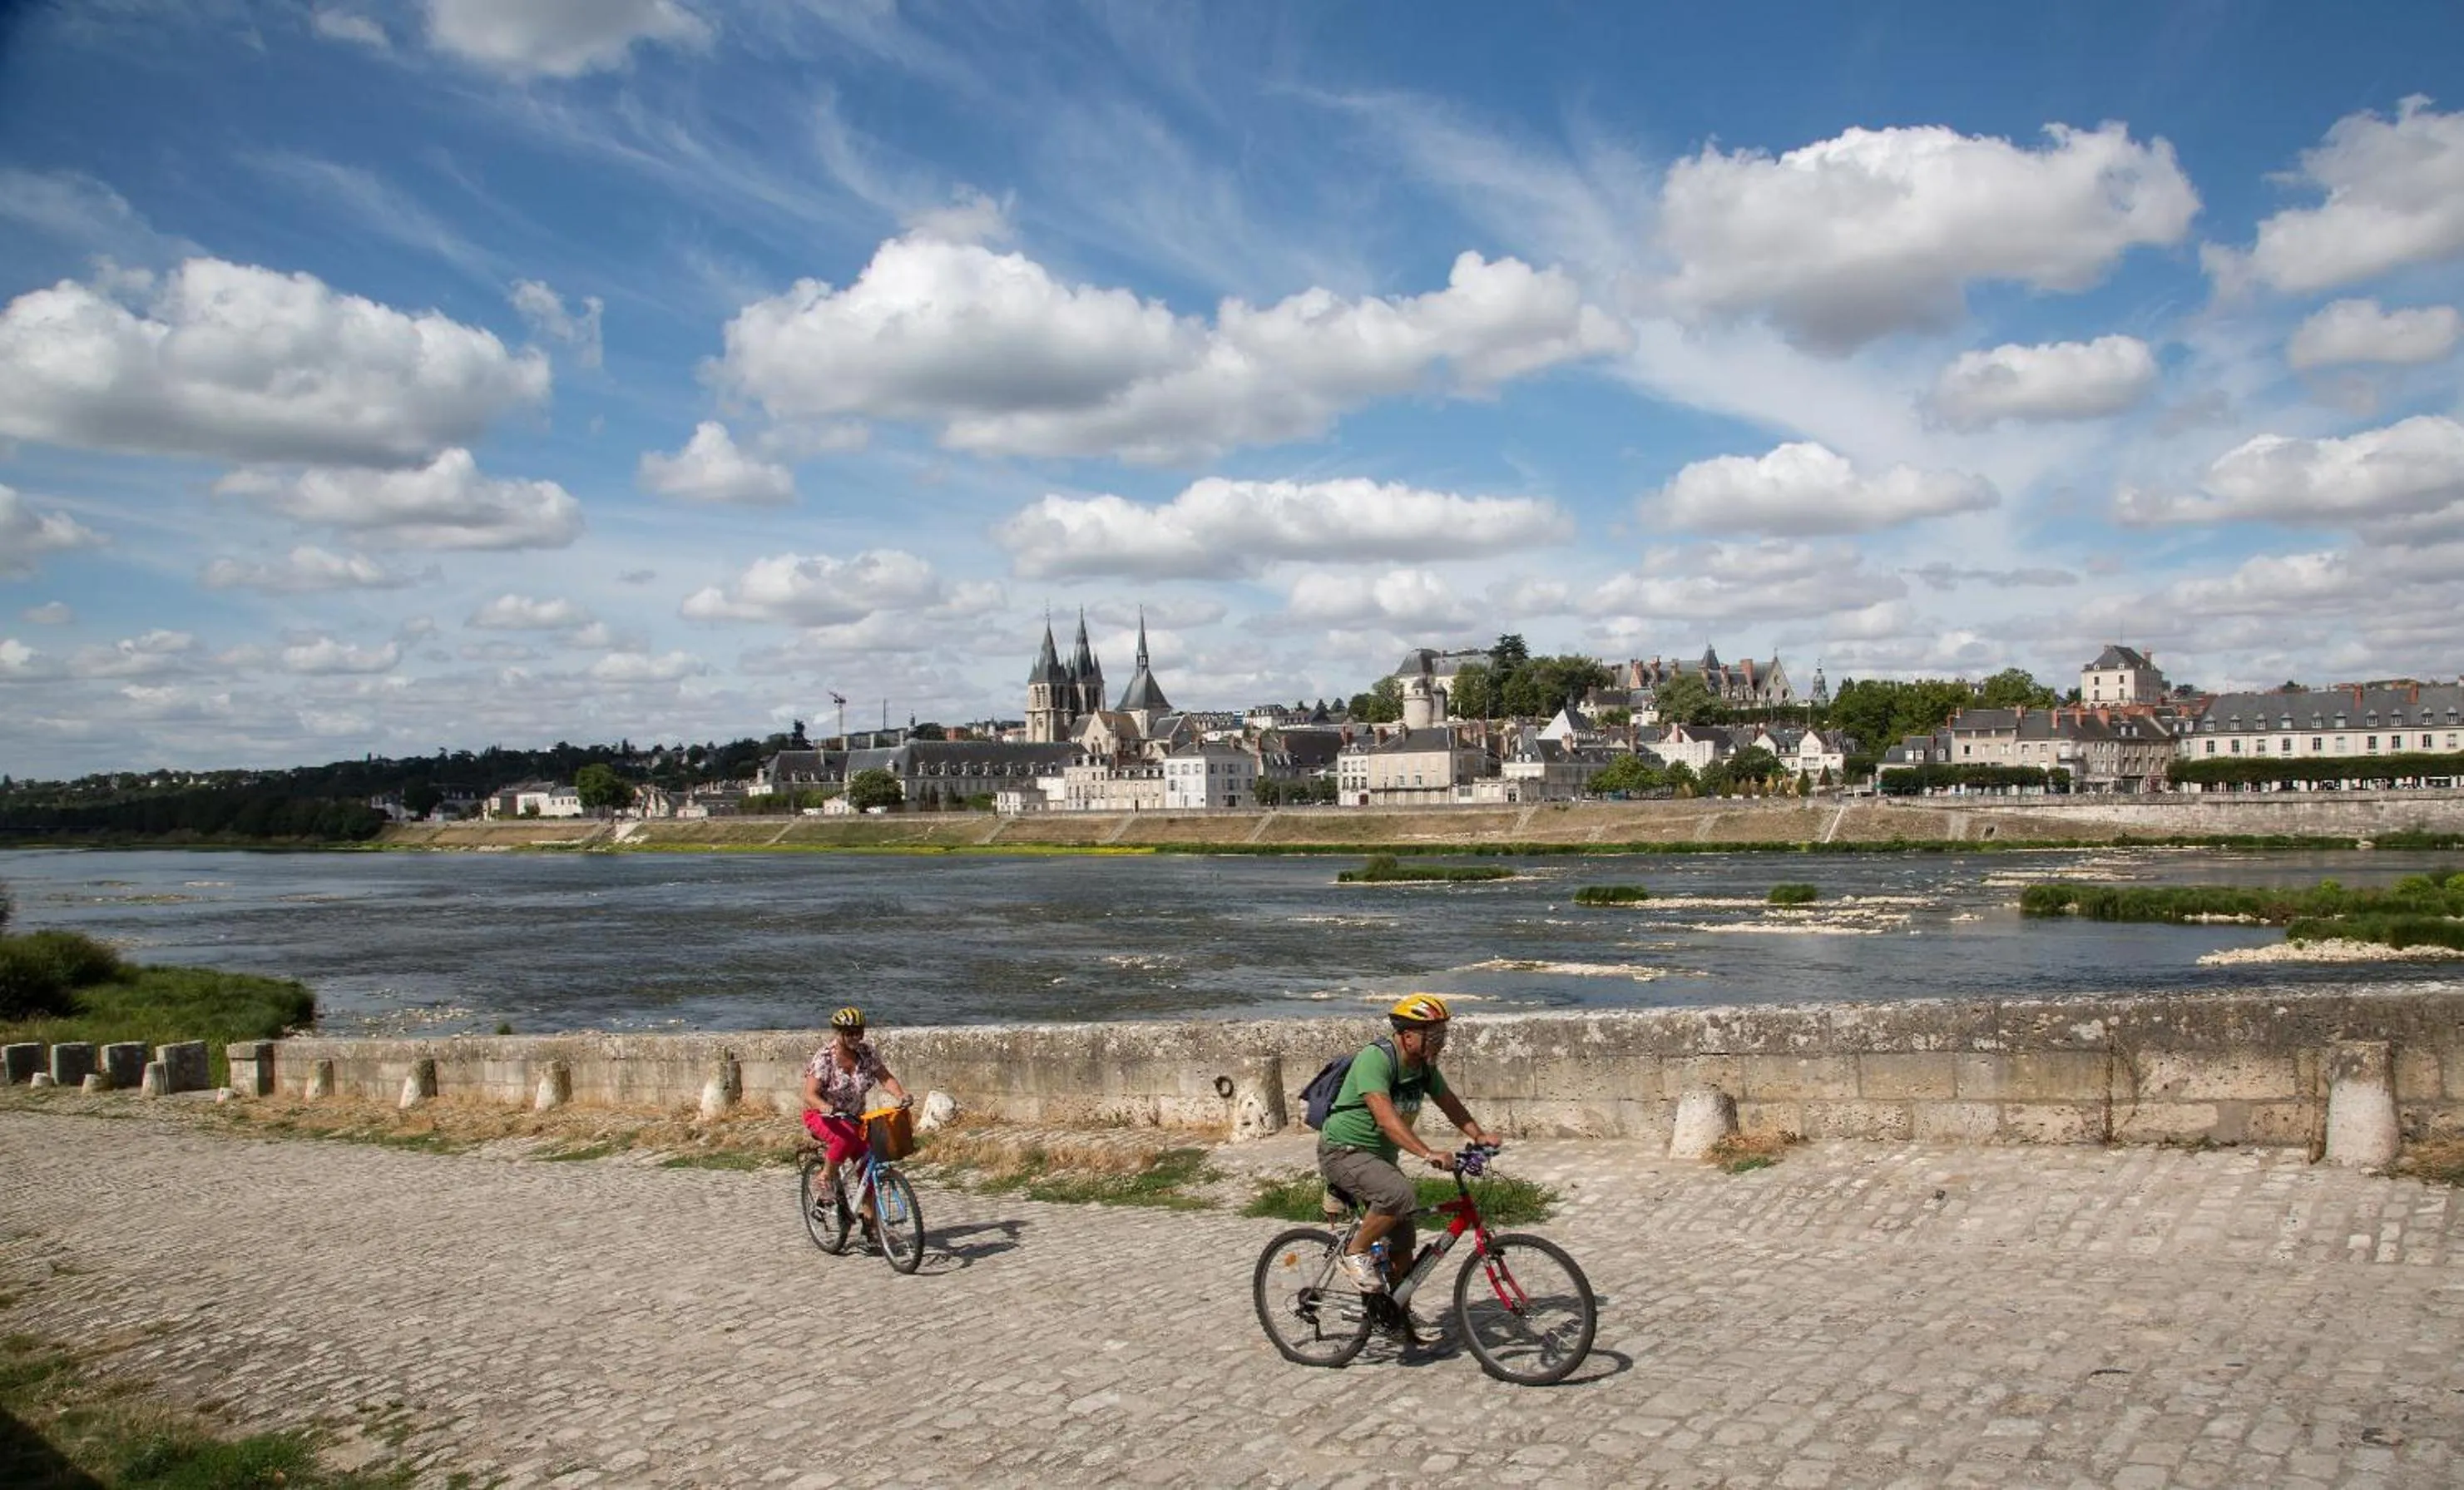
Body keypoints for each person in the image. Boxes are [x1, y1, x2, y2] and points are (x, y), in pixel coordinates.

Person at [1315, 994, 1499, 1313]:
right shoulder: (1377, 1059)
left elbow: (1449, 1103)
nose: (1440, 1043)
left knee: (1403, 1247)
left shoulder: (1424, 1067)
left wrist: (1479, 1136)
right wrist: (1428, 1154)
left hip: (1380, 1161)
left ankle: (1397, 1317)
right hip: (1344, 1151)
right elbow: (1387, 1120)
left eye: (1443, 1034)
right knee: (1399, 1195)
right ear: (1408, 1034)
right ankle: (1355, 1252)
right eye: (1434, 1035)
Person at [801, 1006, 912, 1233]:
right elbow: (810, 1094)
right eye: (849, 1032)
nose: (855, 1037)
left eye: (859, 1031)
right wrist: (826, 1107)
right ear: (839, 1033)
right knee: (843, 1140)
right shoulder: (825, 1058)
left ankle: (869, 1225)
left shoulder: (866, 1053)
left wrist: (901, 1095)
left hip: (853, 1119)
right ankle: (825, 1179)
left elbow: (885, 1077)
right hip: (822, 1116)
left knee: (869, 1168)